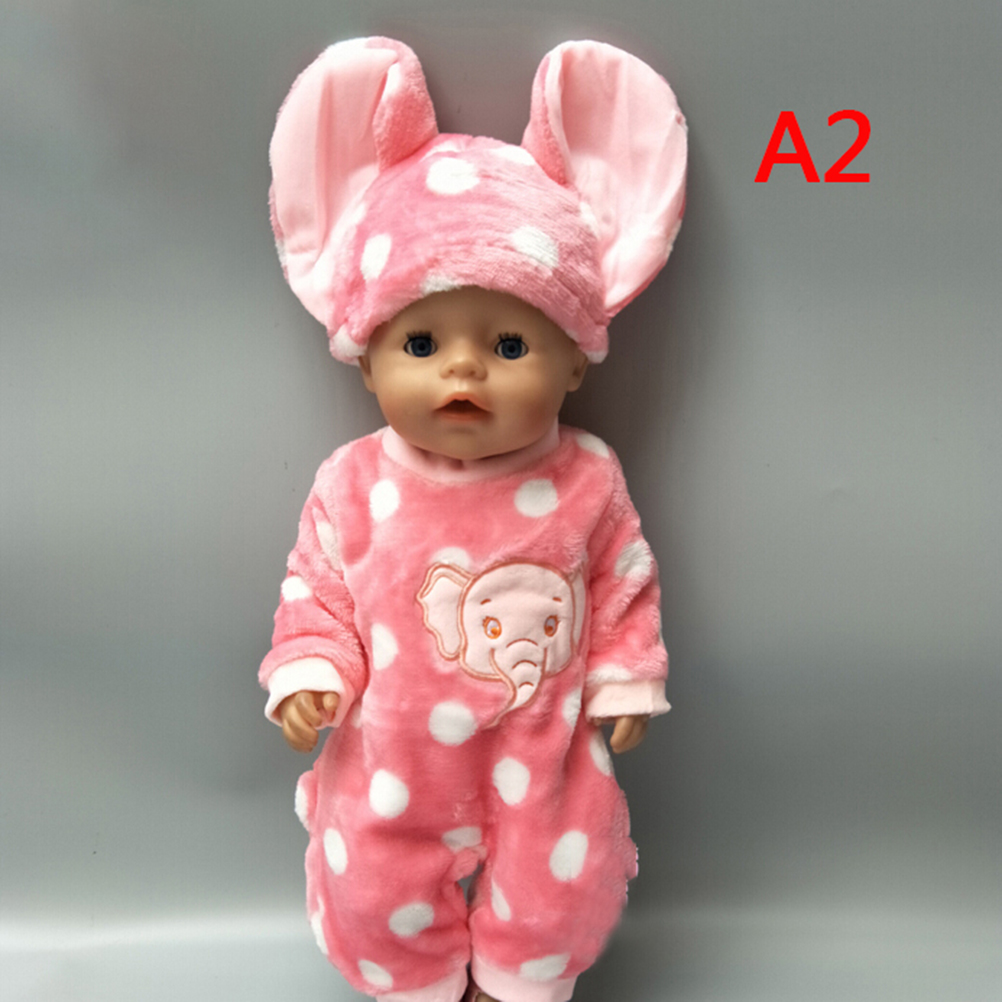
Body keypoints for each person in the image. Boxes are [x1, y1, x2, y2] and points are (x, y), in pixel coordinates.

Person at [260, 36, 687, 1002]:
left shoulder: (585, 477)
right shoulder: (353, 481)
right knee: (373, 887)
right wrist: (310, 673)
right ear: (366, 359)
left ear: (574, 360)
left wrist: (624, 679)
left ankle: (517, 983)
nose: (463, 369)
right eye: (421, 343)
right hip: (390, 758)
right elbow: (315, 590)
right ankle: (411, 983)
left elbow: (624, 578)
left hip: (541, 753)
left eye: (508, 345)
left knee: (557, 887)